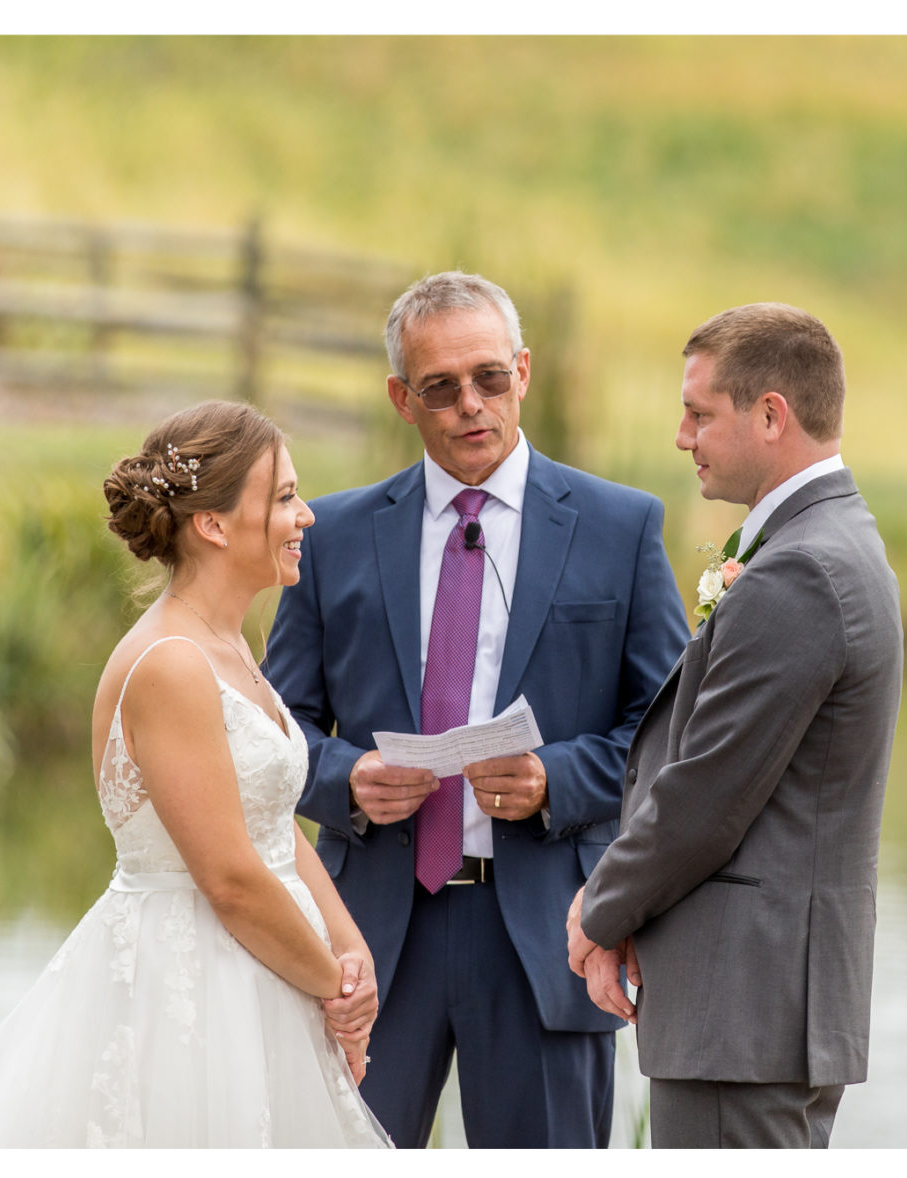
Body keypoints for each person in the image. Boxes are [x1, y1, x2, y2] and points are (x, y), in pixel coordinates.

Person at [262, 271, 688, 1148]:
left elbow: (669, 730)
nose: (471, 405)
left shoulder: (620, 526)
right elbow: (276, 729)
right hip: (369, 935)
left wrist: (554, 781)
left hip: (546, 931)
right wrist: (346, 780)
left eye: (490, 378)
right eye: (441, 388)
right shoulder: (333, 535)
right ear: (401, 399)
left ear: (524, 372)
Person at [0, 401, 391, 1148]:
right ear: (215, 525)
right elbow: (229, 876)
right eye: (285, 498)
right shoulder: (171, 664)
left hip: (273, 970)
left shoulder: (227, 645)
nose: (307, 517)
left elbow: (269, 822)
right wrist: (333, 991)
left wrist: (352, 954)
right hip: (196, 989)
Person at [566, 303, 903, 1149]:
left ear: (771, 415)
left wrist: (599, 910)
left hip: (741, 1011)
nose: (682, 436)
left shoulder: (801, 571)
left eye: (699, 412)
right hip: (766, 1005)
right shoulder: (834, 543)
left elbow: (707, 795)